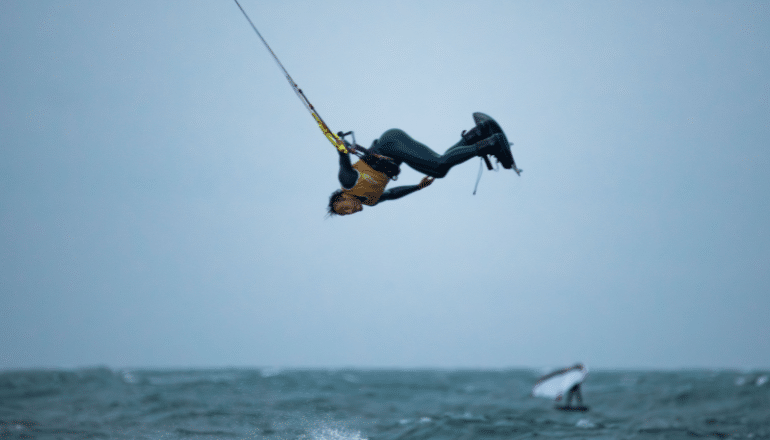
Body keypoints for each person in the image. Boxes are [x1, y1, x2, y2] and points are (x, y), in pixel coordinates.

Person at [327, 113, 517, 216]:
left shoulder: (348, 183)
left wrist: (341, 147)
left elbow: (343, 161)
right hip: (396, 151)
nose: (349, 211)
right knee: (439, 168)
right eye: (344, 214)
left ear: (342, 195)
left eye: (343, 207)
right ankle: (479, 133)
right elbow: (392, 194)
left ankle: (490, 143)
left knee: (438, 166)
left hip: (390, 144)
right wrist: (417, 187)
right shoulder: (370, 201)